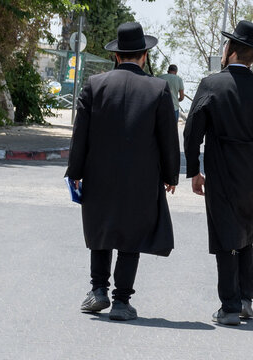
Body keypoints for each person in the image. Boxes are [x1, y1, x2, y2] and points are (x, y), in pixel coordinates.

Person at [66, 22, 180, 321]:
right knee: (132, 235)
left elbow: (81, 134)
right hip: (141, 176)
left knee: (101, 228)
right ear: (144, 55)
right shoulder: (158, 88)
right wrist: (171, 176)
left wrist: (75, 171)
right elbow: (168, 138)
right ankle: (121, 302)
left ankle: (98, 290)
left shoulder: (94, 84)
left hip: (98, 172)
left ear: (117, 56)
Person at [184, 20, 253, 326]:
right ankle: (245, 300)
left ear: (230, 51)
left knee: (223, 236)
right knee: (247, 233)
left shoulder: (210, 84)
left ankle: (229, 305)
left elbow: (192, 132)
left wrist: (194, 170)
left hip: (220, 167)